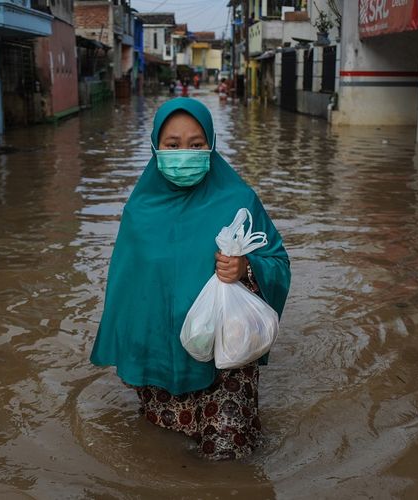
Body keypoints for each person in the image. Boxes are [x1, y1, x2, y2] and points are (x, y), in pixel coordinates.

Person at [90, 98, 291, 460]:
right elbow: (127, 288)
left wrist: (247, 267)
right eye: (173, 145)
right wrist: (128, 349)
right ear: (155, 147)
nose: (185, 153)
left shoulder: (239, 200)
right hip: (161, 359)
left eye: (197, 145)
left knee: (227, 454)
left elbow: (277, 260)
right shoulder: (140, 210)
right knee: (161, 451)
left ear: (211, 144)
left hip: (223, 360)